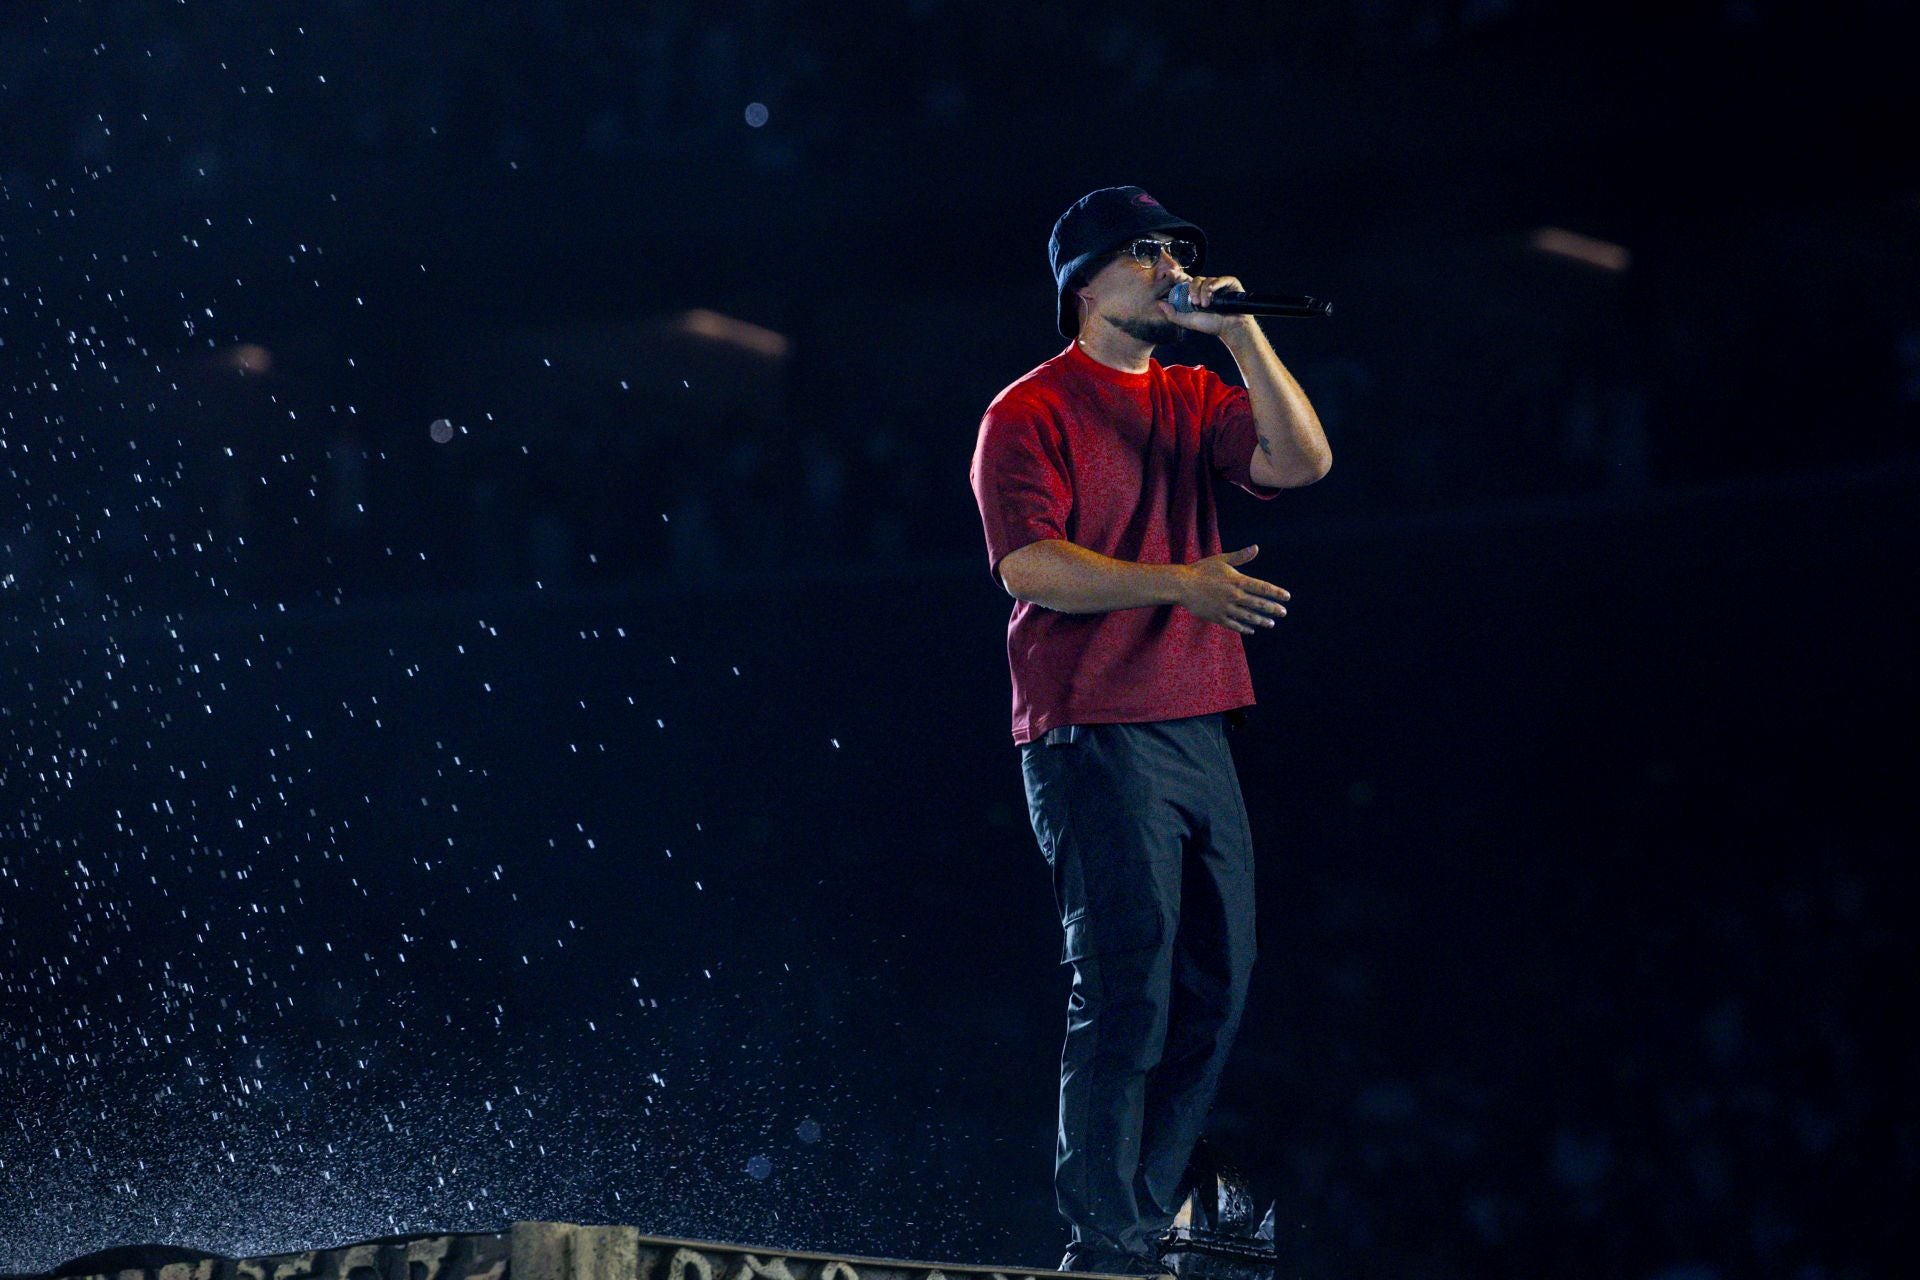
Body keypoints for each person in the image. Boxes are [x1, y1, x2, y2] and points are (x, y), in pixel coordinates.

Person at [968, 186, 1331, 1275]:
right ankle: (1106, 1241)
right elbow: (1028, 565)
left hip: (1196, 721)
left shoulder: (1191, 392)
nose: (1172, 264)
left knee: (1221, 983)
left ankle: (1148, 1217)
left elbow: (1301, 461)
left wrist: (1242, 332)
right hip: (1090, 726)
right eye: (1145, 250)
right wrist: (1181, 582)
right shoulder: (1027, 409)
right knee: (1129, 977)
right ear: (1083, 281)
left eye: (1179, 247)